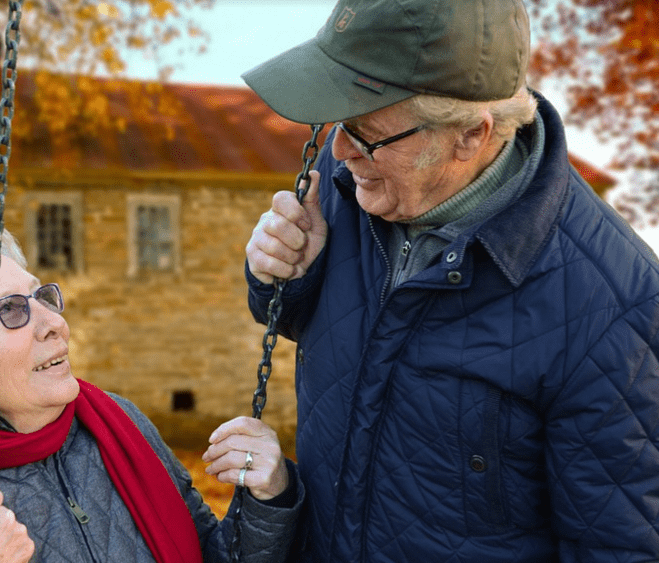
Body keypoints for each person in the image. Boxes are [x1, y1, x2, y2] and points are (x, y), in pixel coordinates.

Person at [241, 0, 659, 561]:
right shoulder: (350, 182)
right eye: (338, 122)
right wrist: (285, 277)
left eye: (366, 134)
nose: (339, 152)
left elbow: (621, 544)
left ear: (469, 136)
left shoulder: (613, 310)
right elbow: (321, 329)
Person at [0, 215, 302, 563]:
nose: (54, 322)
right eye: (9, 310)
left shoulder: (119, 425)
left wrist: (268, 497)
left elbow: (213, 556)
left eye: (43, 297)